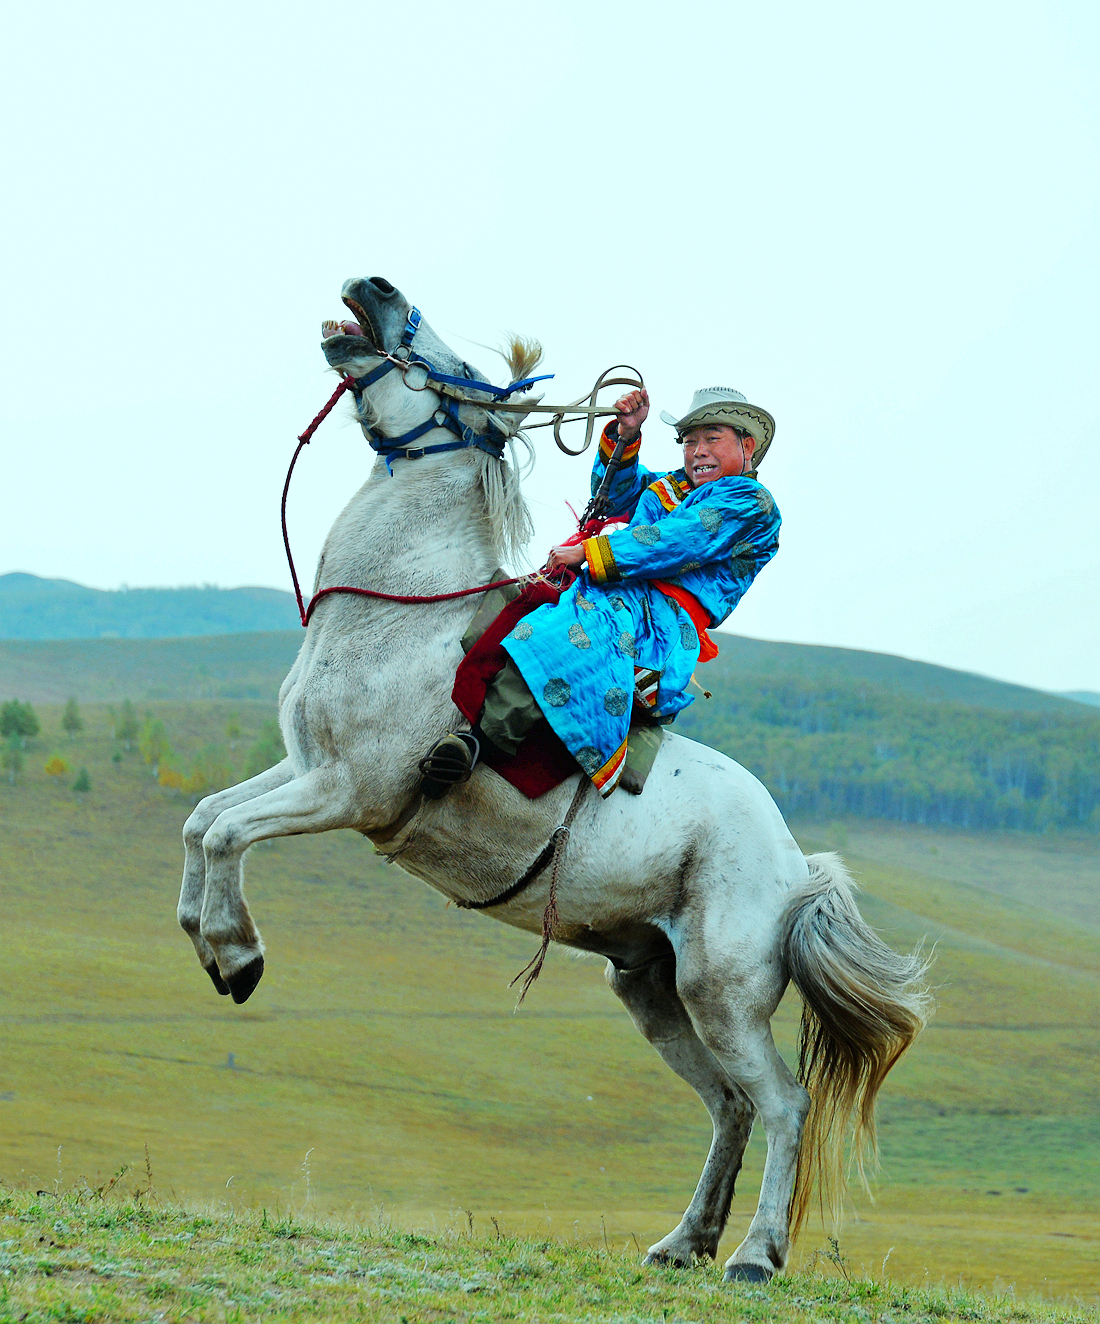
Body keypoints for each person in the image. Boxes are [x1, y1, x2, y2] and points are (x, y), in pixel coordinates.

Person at [420, 385, 781, 798]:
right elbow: (615, 495)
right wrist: (626, 435)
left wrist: (587, 553)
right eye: (689, 441)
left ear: (747, 445)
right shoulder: (674, 488)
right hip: (629, 593)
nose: (697, 450)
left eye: (711, 439)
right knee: (523, 596)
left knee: (566, 628)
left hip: (661, 619)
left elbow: (675, 540)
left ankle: (479, 740)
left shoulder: (752, 502)